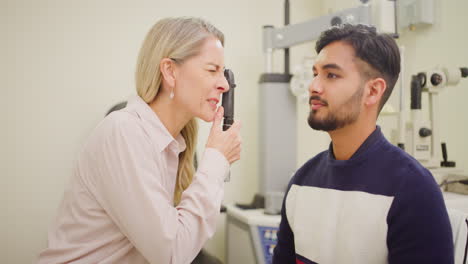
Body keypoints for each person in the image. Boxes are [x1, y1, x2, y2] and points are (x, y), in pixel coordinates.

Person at [37, 17, 241, 264]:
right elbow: (172, 253)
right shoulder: (124, 132)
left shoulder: (171, 143)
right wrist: (216, 161)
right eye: (212, 70)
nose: (224, 85)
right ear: (170, 71)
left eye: (224, 72)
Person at [272, 24, 453, 264]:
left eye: (331, 75)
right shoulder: (302, 182)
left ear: (373, 91)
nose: (313, 86)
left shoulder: (413, 190)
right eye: (315, 73)